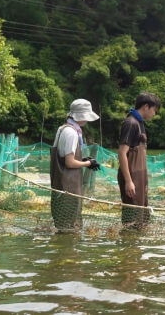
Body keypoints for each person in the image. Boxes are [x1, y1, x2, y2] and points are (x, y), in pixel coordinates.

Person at [50, 98, 100, 232]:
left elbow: (63, 156)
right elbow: (69, 162)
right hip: (69, 186)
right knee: (70, 228)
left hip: (59, 184)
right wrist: (88, 163)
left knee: (61, 225)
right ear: (81, 116)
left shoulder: (62, 129)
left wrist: (83, 160)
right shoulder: (72, 133)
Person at [117, 92, 160, 226]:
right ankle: (128, 245)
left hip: (139, 176)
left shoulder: (140, 123)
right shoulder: (131, 123)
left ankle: (136, 246)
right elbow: (122, 153)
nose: (154, 114)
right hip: (132, 176)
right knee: (132, 218)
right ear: (146, 106)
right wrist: (129, 181)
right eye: (154, 110)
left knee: (142, 216)